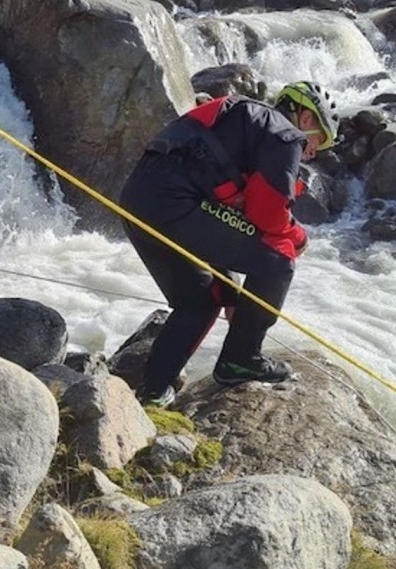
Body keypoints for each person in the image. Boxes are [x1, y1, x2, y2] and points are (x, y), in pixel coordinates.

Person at [119, 81, 341, 407]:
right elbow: (268, 216)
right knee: (279, 259)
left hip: (140, 201)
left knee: (202, 298)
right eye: (317, 141)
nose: (311, 152)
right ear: (305, 118)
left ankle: (153, 392)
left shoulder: (241, 120)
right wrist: (299, 236)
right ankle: (241, 358)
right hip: (179, 204)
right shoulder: (284, 133)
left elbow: (218, 219)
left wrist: (233, 291)